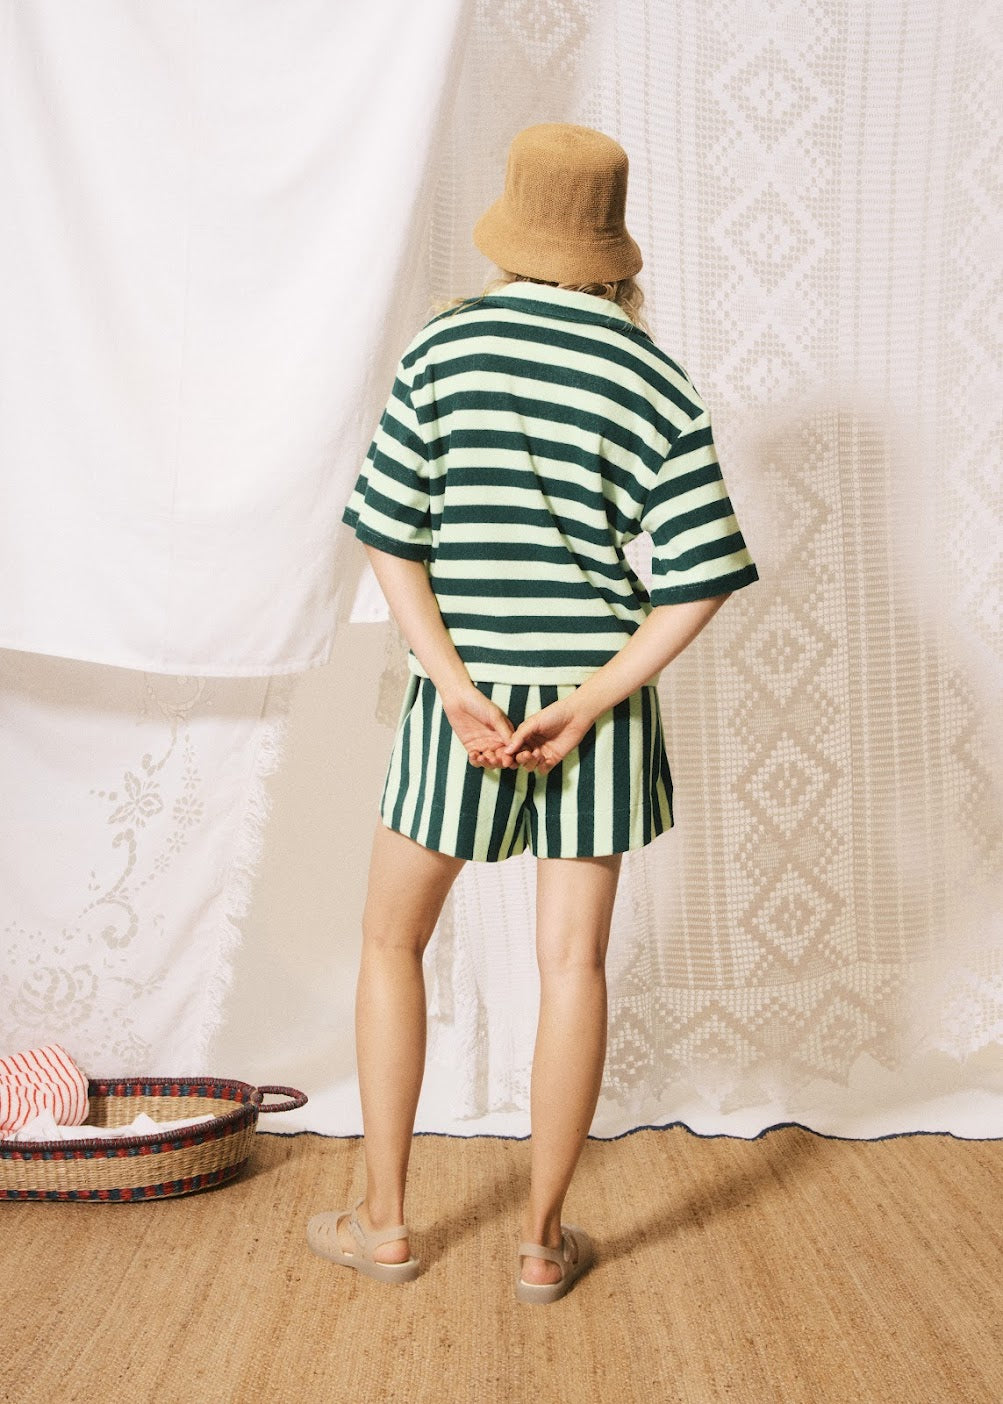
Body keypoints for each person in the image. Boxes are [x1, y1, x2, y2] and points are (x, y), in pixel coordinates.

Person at [306, 123, 759, 1303]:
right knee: (573, 969)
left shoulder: (447, 346)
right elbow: (700, 571)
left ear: (514, 225)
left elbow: (389, 531)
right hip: (589, 715)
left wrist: (453, 683)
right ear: (611, 242)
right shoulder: (651, 371)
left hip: (457, 698)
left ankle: (387, 1222)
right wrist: (593, 697)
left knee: (388, 941)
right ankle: (541, 1244)